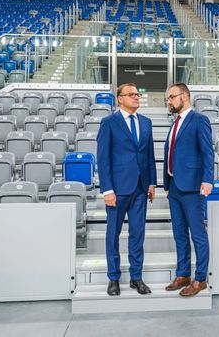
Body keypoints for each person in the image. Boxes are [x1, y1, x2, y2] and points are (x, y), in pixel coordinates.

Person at [97, 83, 157, 296]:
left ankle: (136, 277)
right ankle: (113, 277)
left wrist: (152, 183)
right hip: (117, 189)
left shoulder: (146, 122)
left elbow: (149, 155)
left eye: (137, 94)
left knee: (137, 234)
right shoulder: (109, 123)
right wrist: (107, 190)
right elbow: (103, 158)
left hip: (140, 188)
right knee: (113, 234)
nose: (136, 97)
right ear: (119, 98)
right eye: (131, 94)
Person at [163, 83, 214, 297]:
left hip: (192, 186)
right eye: (168, 98)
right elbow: (169, 153)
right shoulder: (174, 123)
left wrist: (207, 180)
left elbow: (207, 152)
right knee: (179, 234)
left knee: (198, 235)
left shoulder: (199, 120)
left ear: (184, 96)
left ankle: (200, 278)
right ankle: (183, 274)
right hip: (174, 186)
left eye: (171, 97)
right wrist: (167, 184)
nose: (168, 101)